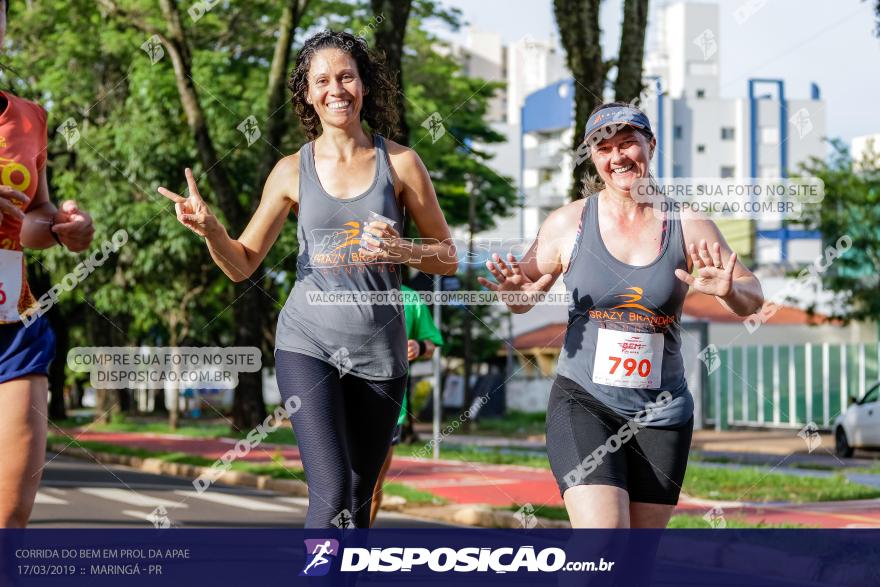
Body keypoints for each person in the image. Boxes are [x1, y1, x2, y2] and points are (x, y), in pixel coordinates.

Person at [159, 30, 457, 528]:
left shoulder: (402, 163)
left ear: (364, 86)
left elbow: (447, 257)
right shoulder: (288, 171)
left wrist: (403, 249)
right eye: (322, 80)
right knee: (333, 488)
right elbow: (242, 264)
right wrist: (212, 230)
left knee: (360, 498)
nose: (335, 89)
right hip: (307, 343)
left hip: (381, 353)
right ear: (307, 94)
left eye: (346, 76)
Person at [478, 102, 763, 528]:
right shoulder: (567, 223)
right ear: (593, 157)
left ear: (650, 145)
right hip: (585, 401)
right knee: (603, 542)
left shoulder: (687, 222)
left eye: (628, 143)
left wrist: (730, 291)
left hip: (662, 412)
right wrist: (514, 295)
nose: (617, 157)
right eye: (604, 148)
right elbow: (523, 296)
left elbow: (753, 296)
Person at [0, 0, 95, 528]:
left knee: (10, 521)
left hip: (13, 329)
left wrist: (64, 229)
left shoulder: (29, 117)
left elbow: (31, 219)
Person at [369, 283, 443, 525]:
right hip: (343, 398)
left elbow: (431, 344)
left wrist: (419, 346)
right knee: (336, 482)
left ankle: (355, 548)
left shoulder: (410, 298)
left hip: (390, 404)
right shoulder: (344, 290)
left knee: (372, 484)